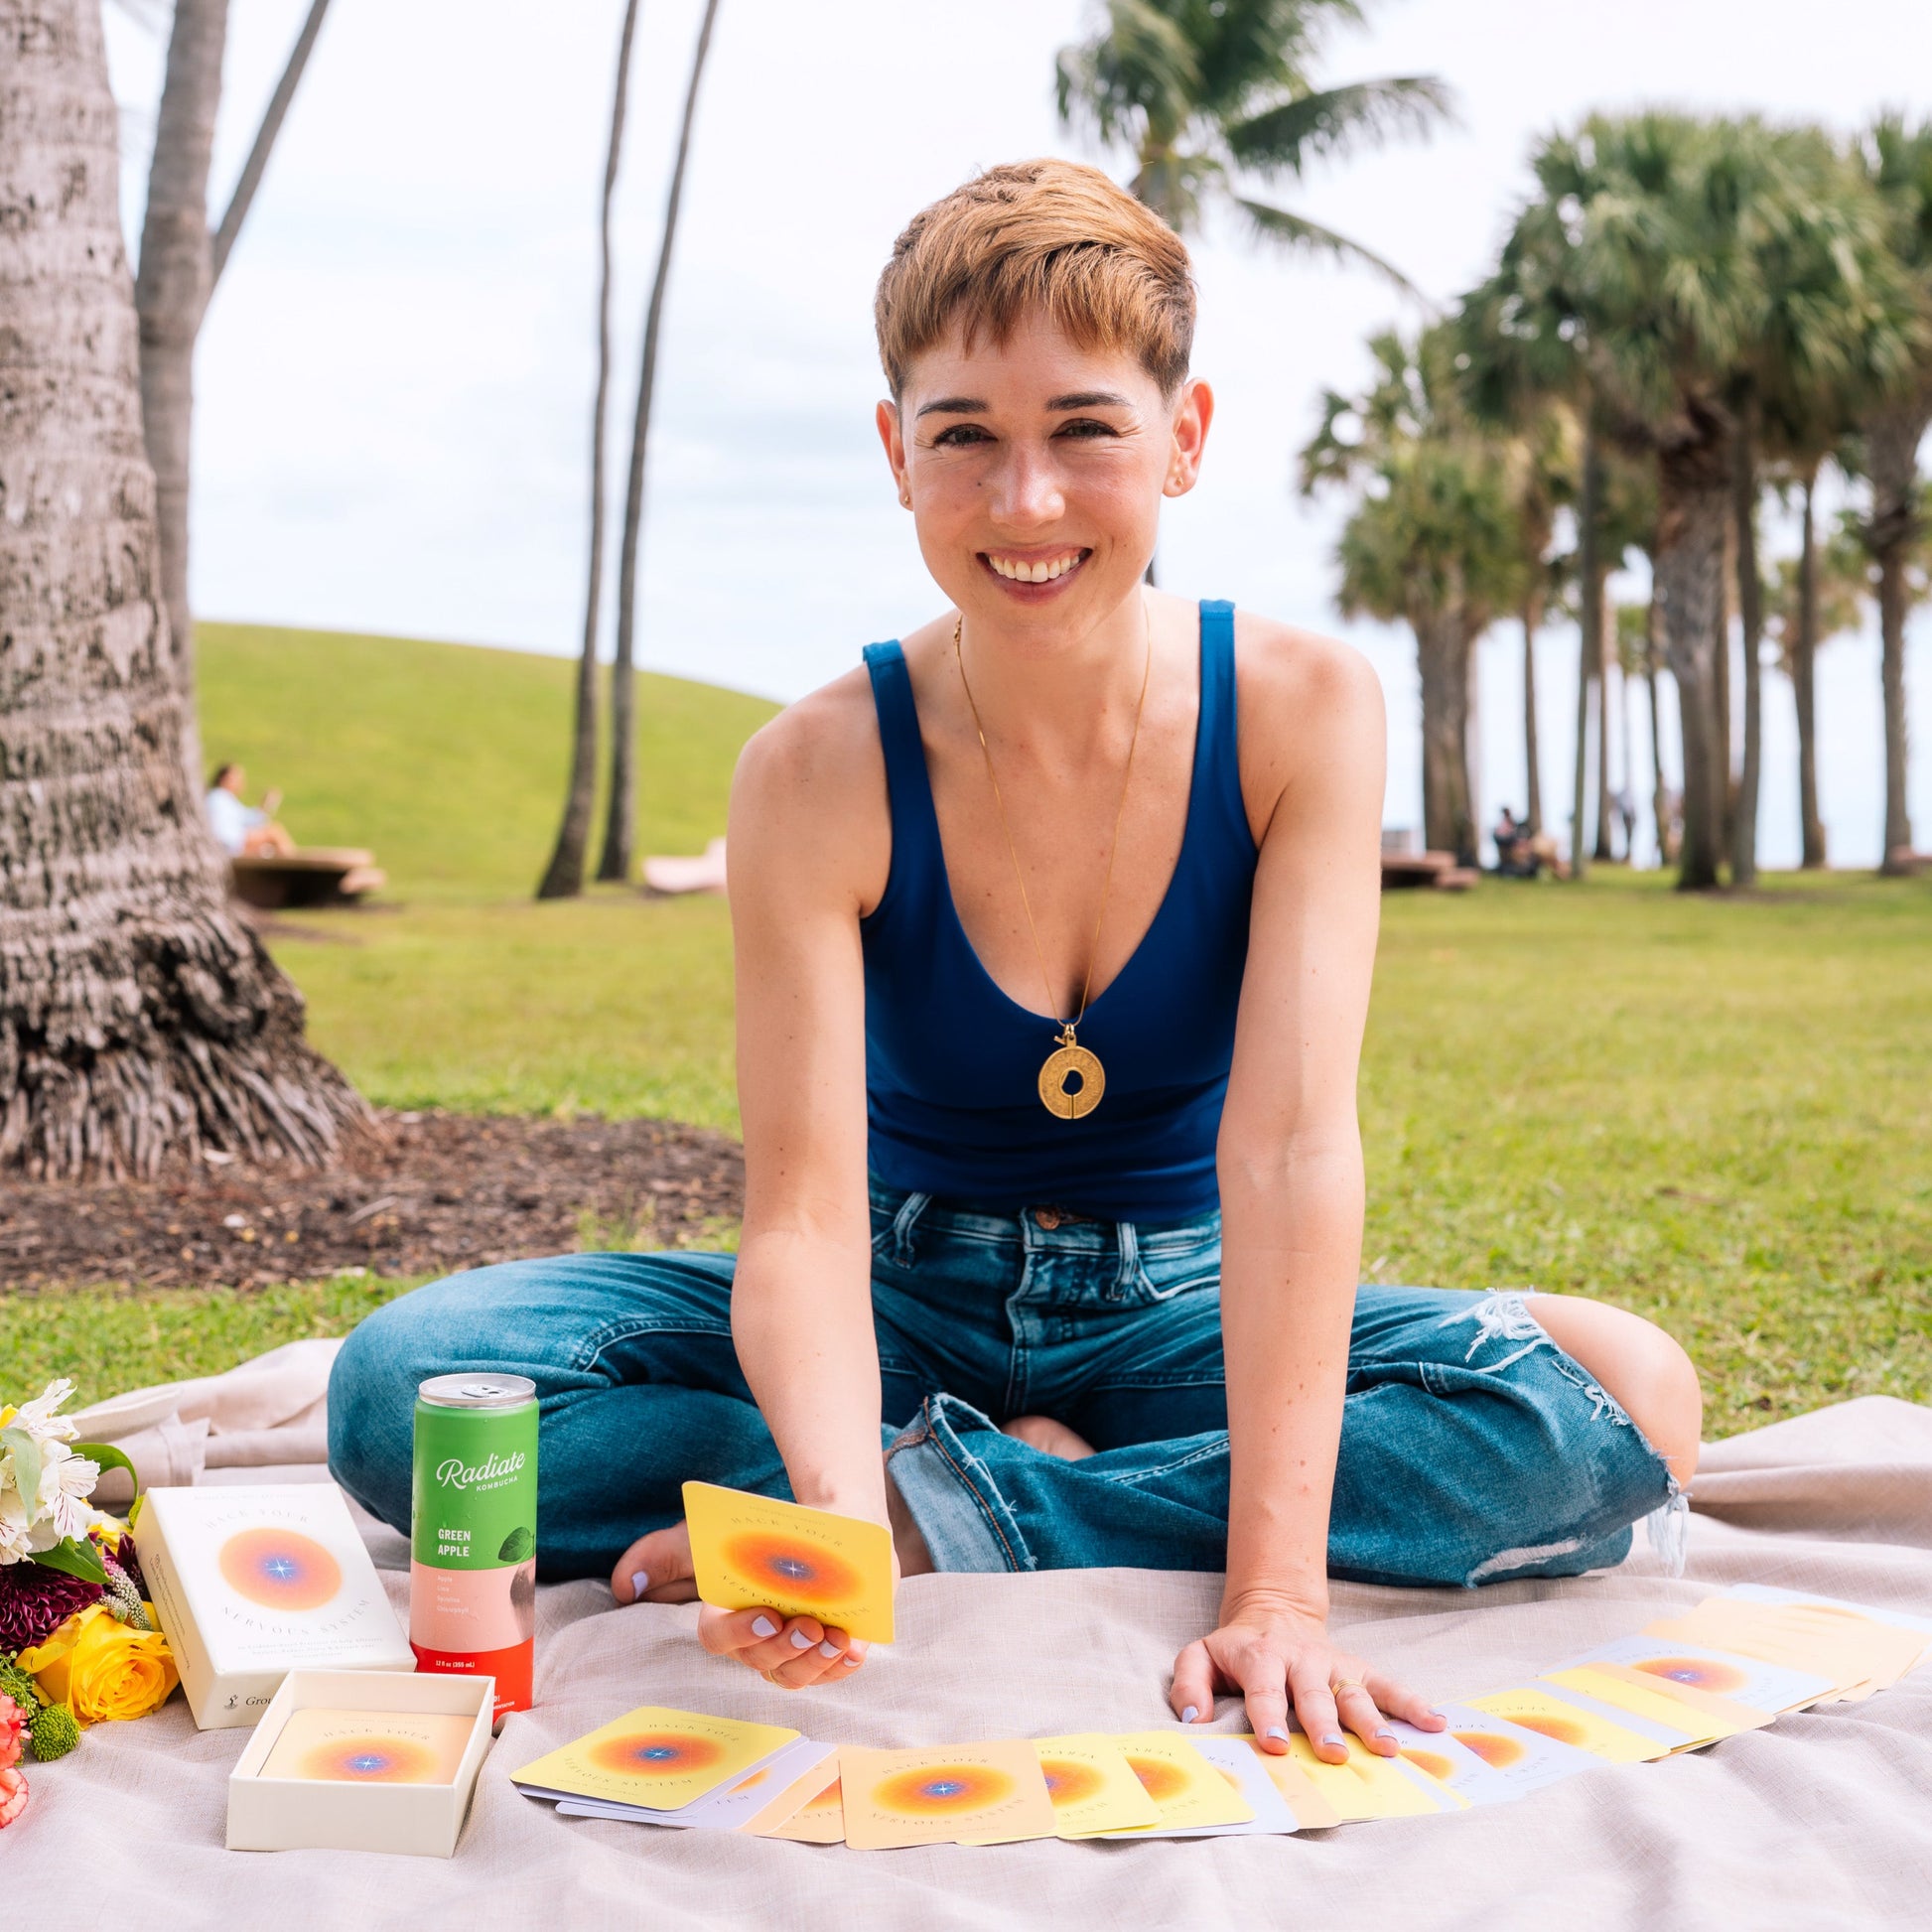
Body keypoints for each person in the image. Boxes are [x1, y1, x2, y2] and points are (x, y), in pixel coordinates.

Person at [327, 161, 1701, 1762]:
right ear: (895, 451)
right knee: (403, 1394)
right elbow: (802, 1218)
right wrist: (829, 1525)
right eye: (964, 434)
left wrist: (1280, 1590)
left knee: (1626, 1398)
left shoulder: (1300, 713)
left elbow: (1286, 1155)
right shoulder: (812, 770)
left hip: (1180, 1305)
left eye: (1086, 431)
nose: (1024, 501)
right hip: (892, 1293)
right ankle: (953, 1487)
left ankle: (981, 1505)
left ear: (1183, 440)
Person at [205, 763, 295, 858]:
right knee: (274, 832)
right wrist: (265, 806)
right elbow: (248, 821)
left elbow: (247, 819)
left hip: (229, 843)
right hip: (230, 843)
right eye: (237, 779)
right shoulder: (220, 797)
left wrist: (264, 806)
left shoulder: (219, 797)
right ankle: (295, 862)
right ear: (224, 779)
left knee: (268, 846)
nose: (240, 783)